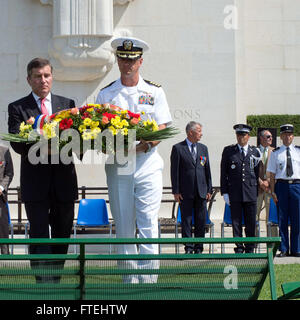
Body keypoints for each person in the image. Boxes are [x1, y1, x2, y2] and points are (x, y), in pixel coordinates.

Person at [95, 37, 173, 283]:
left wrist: (147, 144)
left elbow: (162, 125)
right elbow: (97, 130)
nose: (127, 64)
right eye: (122, 58)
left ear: (140, 61)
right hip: (119, 164)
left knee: (148, 221)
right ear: (117, 60)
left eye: (132, 60)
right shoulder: (106, 94)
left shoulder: (154, 91)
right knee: (124, 223)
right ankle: (129, 280)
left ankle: (149, 280)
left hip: (148, 162)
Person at [7, 57, 78, 283]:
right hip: (35, 183)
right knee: (38, 234)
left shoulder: (68, 104)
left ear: (52, 77)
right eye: (38, 76)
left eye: (47, 75)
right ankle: (42, 281)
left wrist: (43, 143)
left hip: (64, 182)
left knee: (62, 233)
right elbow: (17, 143)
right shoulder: (17, 107)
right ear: (29, 79)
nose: (43, 80)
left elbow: (76, 139)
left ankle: (55, 278)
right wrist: (46, 143)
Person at [170, 121, 212, 254]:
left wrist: (209, 189)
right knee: (187, 220)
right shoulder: (178, 148)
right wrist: (176, 191)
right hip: (185, 191)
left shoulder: (203, 148)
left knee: (201, 220)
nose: (201, 134)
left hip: (201, 191)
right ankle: (188, 247)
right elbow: (174, 171)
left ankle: (199, 247)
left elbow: (207, 170)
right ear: (190, 132)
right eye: (199, 131)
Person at [220, 124, 261, 253]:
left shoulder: (255, 152)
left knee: (250, 222)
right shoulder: (228, 151)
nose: (240, 137)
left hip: (250, 192)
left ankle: (250, 246)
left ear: (248, 137)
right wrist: (225, 192)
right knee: (236, 222)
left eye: (243, 135)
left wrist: (257, 191)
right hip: (235, 192)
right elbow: (223, 173)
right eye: (238, 135)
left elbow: (257, 173)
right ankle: (238, 246)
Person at [267, 124, 300, 257]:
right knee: (282, 219)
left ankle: (297, 249)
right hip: (281, 186)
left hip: (297, 186)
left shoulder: (298, 151)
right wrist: (273, 192)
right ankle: (284, 249)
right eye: (285, 135)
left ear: (293, 136)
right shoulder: (275, 153)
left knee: (297, 218)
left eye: (290, 134)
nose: (288, 137)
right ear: (281, 137)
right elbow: (272, 175)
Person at [256, 129, 275, 234]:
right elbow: (251, 170)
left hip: (270, 189)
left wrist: (268, 181)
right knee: (254, 217)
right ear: (261, 138)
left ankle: (272, 244)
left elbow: (277, 170)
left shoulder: (275, 151)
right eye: (268, 136)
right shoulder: (254, 151)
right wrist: (260, 182)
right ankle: (253, 243)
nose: (271, 138)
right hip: (256, 189)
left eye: (271, 136)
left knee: (271, 218)